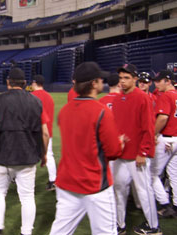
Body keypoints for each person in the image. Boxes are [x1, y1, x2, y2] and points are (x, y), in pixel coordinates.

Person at [50, 62, 123, 235]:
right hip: (94, 184)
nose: (102, 82)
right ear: (93, 83)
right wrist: (120, 142)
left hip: (67, 182)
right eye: (99, 79)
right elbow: (113, 152)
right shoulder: (102, 111)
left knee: (60, 232)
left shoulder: (65, 110)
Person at [0, 67, 50, 235]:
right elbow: (45, 133)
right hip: (28, 155)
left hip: (3, 155)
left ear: (7, 82)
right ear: (25, 83)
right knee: (27, 197)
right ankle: (26, 232)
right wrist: (43, 154)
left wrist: (1, 138)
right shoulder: (36, 101)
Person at [112, 64, 161, 235]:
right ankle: (120, 224)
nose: (122, 81)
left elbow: (148, 126)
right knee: (118, 190)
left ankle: (153, 226)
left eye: (126, 77)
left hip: (137, 156)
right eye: (120, 78)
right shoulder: (117, 99)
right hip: (120, 154)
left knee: (143, 190)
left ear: (135, 79)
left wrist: (144, 152)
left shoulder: (142, 98)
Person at [151, 70, 177, 218]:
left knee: (152, 174)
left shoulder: (166, 95)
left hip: (167, 139)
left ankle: (165, 204)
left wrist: (153, 134)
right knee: (174, 174)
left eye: (158, 80)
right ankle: (176, 205)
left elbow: (162, 118)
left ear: (167, 81)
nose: (156, 83)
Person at [31, 75, 57, 191]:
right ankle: (53, 180)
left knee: (30, 156)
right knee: (49, 155)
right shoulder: (49, 97)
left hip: (33, 132)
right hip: (47, 130)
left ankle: (21, 179)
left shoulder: (31, 97)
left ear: (34, 83)